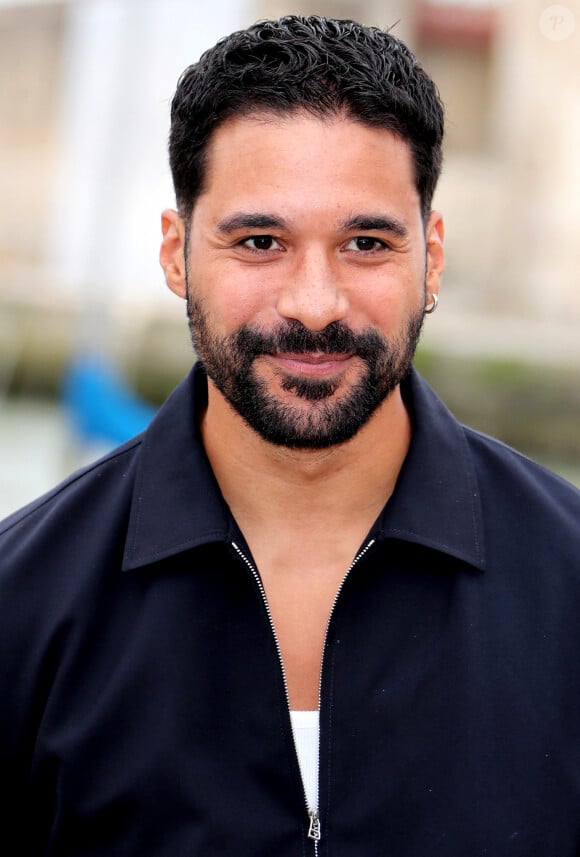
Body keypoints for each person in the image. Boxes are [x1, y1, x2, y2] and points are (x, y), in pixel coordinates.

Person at [1, 15, 579, 856]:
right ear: (175, 253)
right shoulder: (23, 608)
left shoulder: (568, 588)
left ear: (433, 256)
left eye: (367, 243)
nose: (315, 302)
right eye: (261, 242)